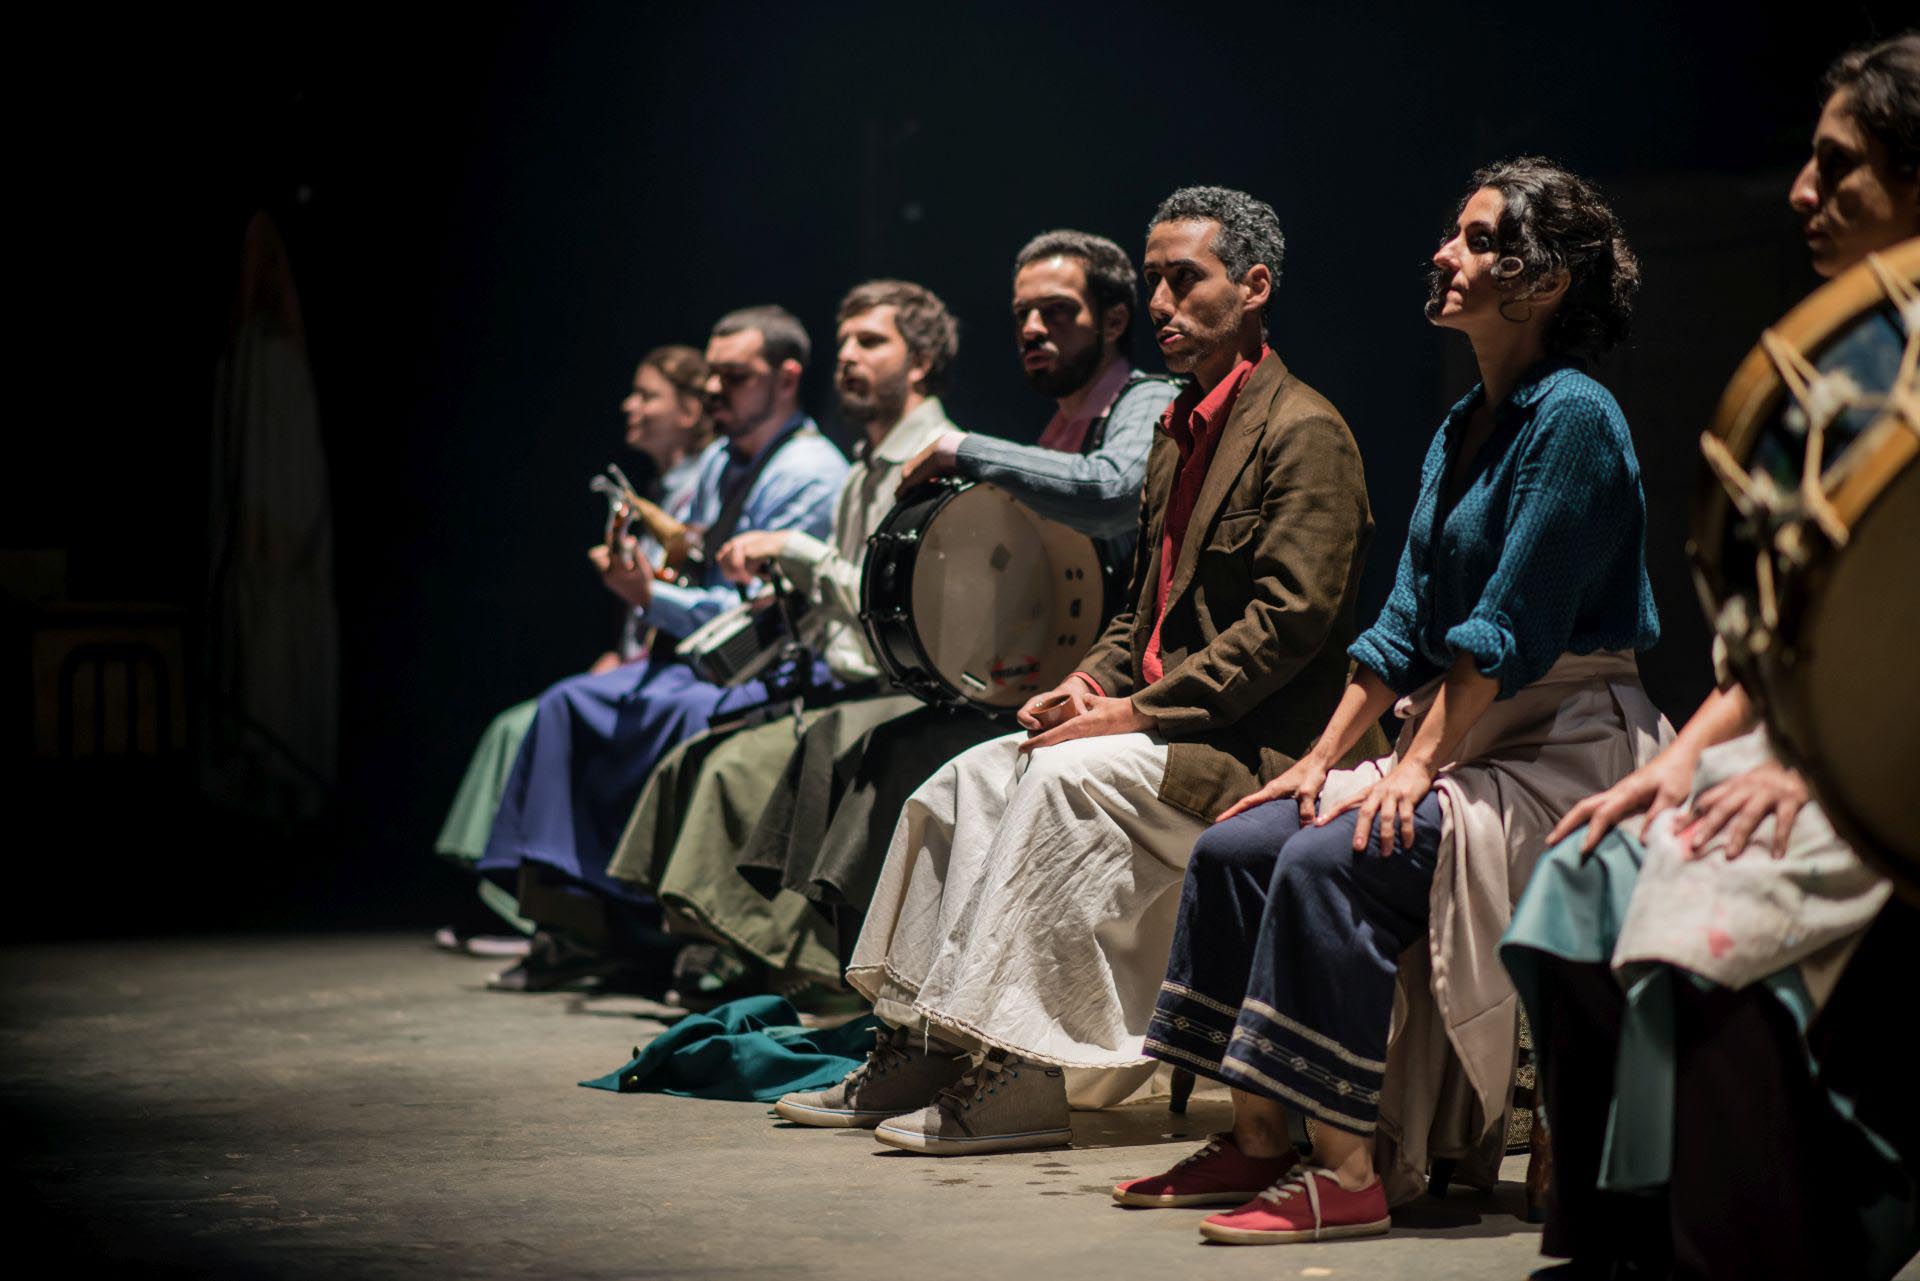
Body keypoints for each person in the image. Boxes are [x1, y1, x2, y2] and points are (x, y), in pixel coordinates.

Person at [1112, 157, 1665, 1246]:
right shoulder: (1468, 421)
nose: (1443, 253)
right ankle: (1260, 1137)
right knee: (1239, 845)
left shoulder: (1577, 419)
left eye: (1473, 238)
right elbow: (1405, 622)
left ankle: (1348, 1170)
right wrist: (1320, 761)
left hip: (1565, 739)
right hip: (1467, 723)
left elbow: (1504, 632)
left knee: (1333, 860)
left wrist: (1413, 770)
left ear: (1541, 279)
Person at [775, 185, 1382, 1150]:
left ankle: (1024, 1071)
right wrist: (1091, 680)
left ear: (1256, 286)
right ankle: (926, 1040)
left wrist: (1133, 712)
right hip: (1158, 718)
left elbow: (1288, 627)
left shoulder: (1303, 430)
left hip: (1253, 743)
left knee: (1061, 781)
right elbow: (1138, 609)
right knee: (957, 782)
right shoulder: (1179, 432)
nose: (1162, 303)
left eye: (1187, 279)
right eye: (1154, 283)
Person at [1503, 34, 1920, 1280]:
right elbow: (1778, 636)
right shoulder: (1861, 357)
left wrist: (1833, 766)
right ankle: (1615, 1236)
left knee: (1703, 906)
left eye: (1837, 165)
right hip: (1829, 744)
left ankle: (1764, 1241)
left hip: (1892, 766)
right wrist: (1672, 762)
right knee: (1578, 878)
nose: (1801, 191)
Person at [611, 230, 1178, 1004]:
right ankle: (829, 972)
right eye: (1022, 315)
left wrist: (963, 450)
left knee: (878, 745)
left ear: (1114, 321)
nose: (1034, 330)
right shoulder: (1050, 430)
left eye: (1057, 311)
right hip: (1043, 675)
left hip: (1102, 682)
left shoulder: (1143, 398)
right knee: (826, 741)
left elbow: (1111, 491)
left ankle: (863, 984)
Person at [603, 277, 976, 998]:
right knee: (706, 751)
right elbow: (826, 610)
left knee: (745, 763)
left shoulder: (940, 462)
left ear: (921, 361)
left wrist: (794, 554)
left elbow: (906, 603)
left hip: (903, 689)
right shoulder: (861, 469)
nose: (849, 357)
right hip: (842, 676)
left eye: (871, 342)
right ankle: (730, 951)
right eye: (845, 343)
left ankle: (800, 967)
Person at [476, 306, 849, 990]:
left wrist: (653, 596)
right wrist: (652, 580)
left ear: (787, 379)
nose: (714, 391)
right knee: (566, 704)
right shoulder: (717, 463)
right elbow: (698, 563)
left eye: (733, 376)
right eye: (711, 377)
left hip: (773, 658)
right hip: (700, 651)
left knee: (688, 719)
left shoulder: (810, 472)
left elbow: (761, 615)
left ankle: (687, 931)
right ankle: (575, 921)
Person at [431, 345, 714, 948]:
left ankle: (550, 913)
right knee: (523, 720)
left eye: (647, 395)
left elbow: (691, 590)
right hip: (650, 657)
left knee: (547, 716)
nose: (629, 406)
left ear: (692, 410)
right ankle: (527, 901)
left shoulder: (709, 486)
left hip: (687, 662)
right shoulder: (661, 487)